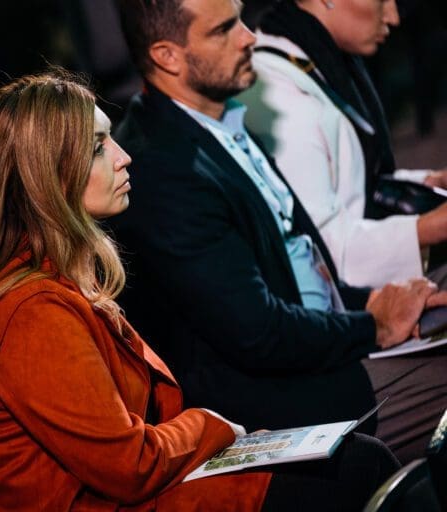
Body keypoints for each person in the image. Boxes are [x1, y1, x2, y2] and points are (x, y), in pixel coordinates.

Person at [0, 72, 400, 511]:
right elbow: (130, 467)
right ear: (44, 177)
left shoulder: (47, 277)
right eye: (97, 147)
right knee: (359, 468)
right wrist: (214, 427)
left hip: (130, 488)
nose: (122, 155)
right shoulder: (31, 312)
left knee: (353, 457)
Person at [110, 0, 447, 464]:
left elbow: (298, 261)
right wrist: (375, 324)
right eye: (225, 28)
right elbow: (259, 334)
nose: (250, 36)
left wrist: (367, 302)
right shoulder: (163, 167)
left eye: (242, 18)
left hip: (319, 344)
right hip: (280, 405)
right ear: (168, 56)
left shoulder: (212, 118)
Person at [238, 0, 447, 288]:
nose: (393, 16)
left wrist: (431, 180)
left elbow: (351, 184)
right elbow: (321, 252)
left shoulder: (314, 57)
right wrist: (431, 227)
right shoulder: (276, 93)